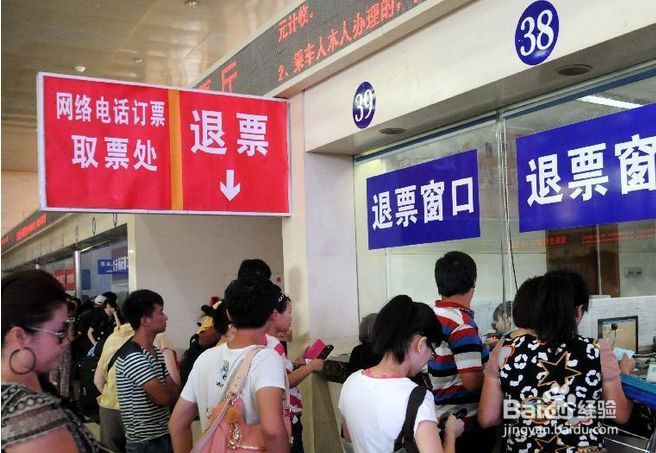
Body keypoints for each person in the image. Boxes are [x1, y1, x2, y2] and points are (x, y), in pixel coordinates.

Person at [478, 271, 634, 452]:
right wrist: (625, 374)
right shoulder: (597, 350)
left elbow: (487, 418)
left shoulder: (505, 349)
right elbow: (620, 414)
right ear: (575, 310)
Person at [169, 277, 290, 453]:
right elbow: (272, 431)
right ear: (272, 314)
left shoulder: (205, 358)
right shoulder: (267, 359)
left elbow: (177, 424)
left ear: (228, 314)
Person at [339, 295, 464, 453]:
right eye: (432, 352)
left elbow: (349, 437)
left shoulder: (351, 382)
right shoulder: (417, 398)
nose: (429, 359)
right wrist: (451, 434)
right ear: (421, 344)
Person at [1, 269, 101, 452]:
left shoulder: (17, 392)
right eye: (60, 332)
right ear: (21, 337)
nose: (66, 340)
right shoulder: (30, 417)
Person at [427, 251, 493, 452]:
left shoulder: (432, 316)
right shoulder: (461, 325)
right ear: (473, 281)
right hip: (463, 426)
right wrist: (493, 372)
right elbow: (472, 383)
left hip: (438, 420)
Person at [115, 290, 179, 453]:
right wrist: (164, 392)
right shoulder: (133, 356)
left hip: (163, 434)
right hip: (144, 443)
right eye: (161, 312)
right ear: (144, 320)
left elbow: (172, 391)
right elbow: (164, 398)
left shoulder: (156, 351)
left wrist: (163, 393)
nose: (166, 317)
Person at [266, 293, 324, 453]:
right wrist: (310, 367)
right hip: (287, 415)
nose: (291, 317)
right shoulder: (272, 345)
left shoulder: (269, 342)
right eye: (289, 312)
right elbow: (284, 382)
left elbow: (277, 373)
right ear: (275, 315)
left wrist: (296, 363)